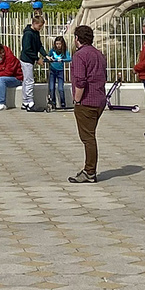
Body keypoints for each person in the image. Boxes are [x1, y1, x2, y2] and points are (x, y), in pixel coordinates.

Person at [69, 25, 106, 183]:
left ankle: (89, 171)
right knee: (90, 135)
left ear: (77, 38)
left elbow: (80, 80)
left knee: (88, 137)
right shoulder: (98, 54)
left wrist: (77, 100)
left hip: (86, 101)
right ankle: (89, 170)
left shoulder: (80, 56)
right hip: (99, 99)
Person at [19, 16, 46, 111]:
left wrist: (45, 55)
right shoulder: (28, 34)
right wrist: (37, 58)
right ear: (34, 23)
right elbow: (27, 49)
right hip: (26, 60)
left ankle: (25, 101)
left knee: (26, 81)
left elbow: (39, 45)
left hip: (30, 59)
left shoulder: (35, 33)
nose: (40, 28)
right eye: (39, 26)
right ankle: (30, 102)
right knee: (29, 81)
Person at [46, 36, 71, 111]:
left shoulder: (64, 51)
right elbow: (47, 57)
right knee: (51, 88)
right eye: (56, 44)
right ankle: (53, 103)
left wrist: (62, 60)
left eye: (59, 44)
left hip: (60, 71)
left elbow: (69, 58)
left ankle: (63, 103)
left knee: (60, 88)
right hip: (52, 71)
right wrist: (50, 59)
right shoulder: (52, 51)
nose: (58, 46)